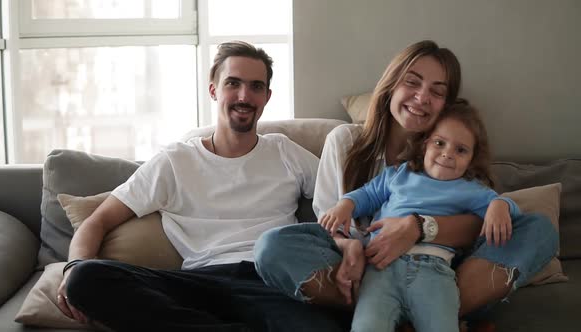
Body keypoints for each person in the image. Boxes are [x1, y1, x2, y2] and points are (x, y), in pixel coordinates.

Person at [254, 40, 558, 326]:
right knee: (272, 246)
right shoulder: (344, 142)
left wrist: (418, 227)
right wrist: (350, 249)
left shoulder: (452, 154)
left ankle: (418, 313)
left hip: (439, 276)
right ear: (391, 86)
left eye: (437, 91)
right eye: (412, 82)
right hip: (367, 274)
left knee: (540, 231)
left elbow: (480, 227)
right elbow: (331, 222)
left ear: (447, 106)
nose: (422, 97)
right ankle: (398, 314)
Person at [56, 41, 351, 332]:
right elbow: (98, 220)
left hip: (270, 281)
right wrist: (72, 269)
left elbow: (342, 197)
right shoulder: (174, 161)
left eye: (256, 86)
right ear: (214, 90)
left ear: (267, 96)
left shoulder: (285, 151)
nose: (244, 96)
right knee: (86, 278)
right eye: (233, 83)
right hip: (199, 284)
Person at [320, 101, 522, 332]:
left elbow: (512, 213)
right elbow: (366, 195)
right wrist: (345, 206)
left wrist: (499, 204)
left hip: (433, 272)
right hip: (380, 269)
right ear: (425, 144)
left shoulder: (470, 188)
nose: (447, 154)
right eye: (439, 143)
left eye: (461, 150)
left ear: (472, 159)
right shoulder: (399, 174)